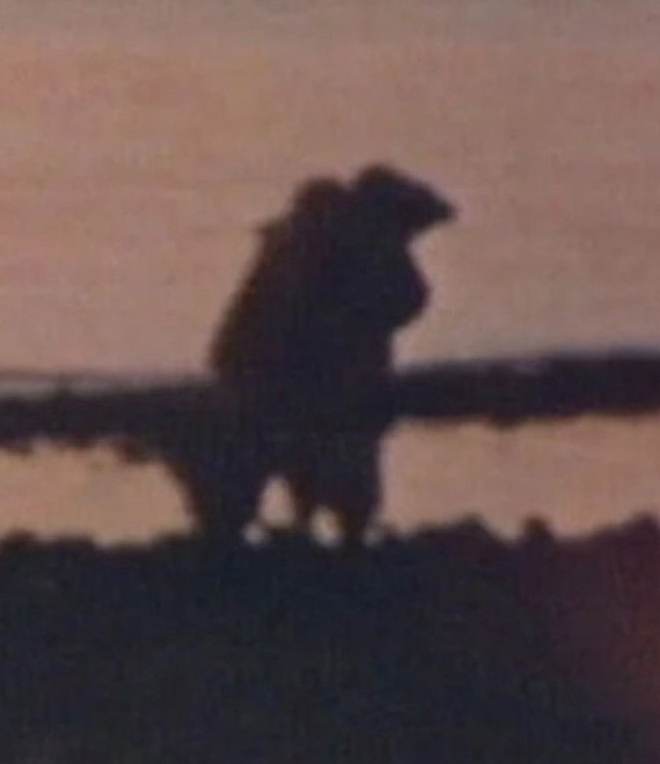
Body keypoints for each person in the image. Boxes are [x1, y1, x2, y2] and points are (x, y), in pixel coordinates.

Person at [176, 166, 454, 544]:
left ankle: (302, 525)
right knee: (333, 457)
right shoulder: (352, 245)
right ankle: (331, 532)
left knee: (278, 461)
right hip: (295, 380)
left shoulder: (304, 238)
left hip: (261, 373)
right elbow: (402, 300)